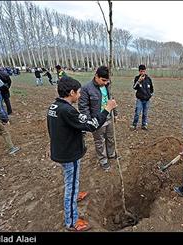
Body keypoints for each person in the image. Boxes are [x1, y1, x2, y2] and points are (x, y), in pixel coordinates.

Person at [47, 76, 117, 231]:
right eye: (77, 93)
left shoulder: (55, 106)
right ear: (71, 92)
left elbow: (73, 122)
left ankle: (75, 193)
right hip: (69, 154)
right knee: (70, 185)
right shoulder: (67, 110)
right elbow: (91, 126)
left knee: (72, 180)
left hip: (62, 150)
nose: (79, 95)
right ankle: (71, 222)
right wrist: (107, 109)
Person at [78, 66, 117, 171]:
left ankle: (111, 154)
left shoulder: (107, 85)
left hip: (109, 117)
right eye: (103, 80)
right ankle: (103, 160)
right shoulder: (86, 89)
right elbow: (83, 107)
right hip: (97, 121)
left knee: (110, 138)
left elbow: (111, 100)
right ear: (96, 76)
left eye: (107, 80)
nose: (105, 82)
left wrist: (115, 113)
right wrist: (90, 122)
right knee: (99, 141)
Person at [131, 64, 154, 130]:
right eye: (141, 71)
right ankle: (134, 125)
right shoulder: (137, 78)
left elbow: (152, 89)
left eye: (143, 71)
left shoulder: (148, 79)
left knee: (145, 113)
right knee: (137, 112)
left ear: (145, 71)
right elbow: (134, 87)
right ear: (139, 71)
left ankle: (144, 125)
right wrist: (139, 81)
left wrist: (150, 95)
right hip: (140, 99)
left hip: (147, 100)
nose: (142, 73)